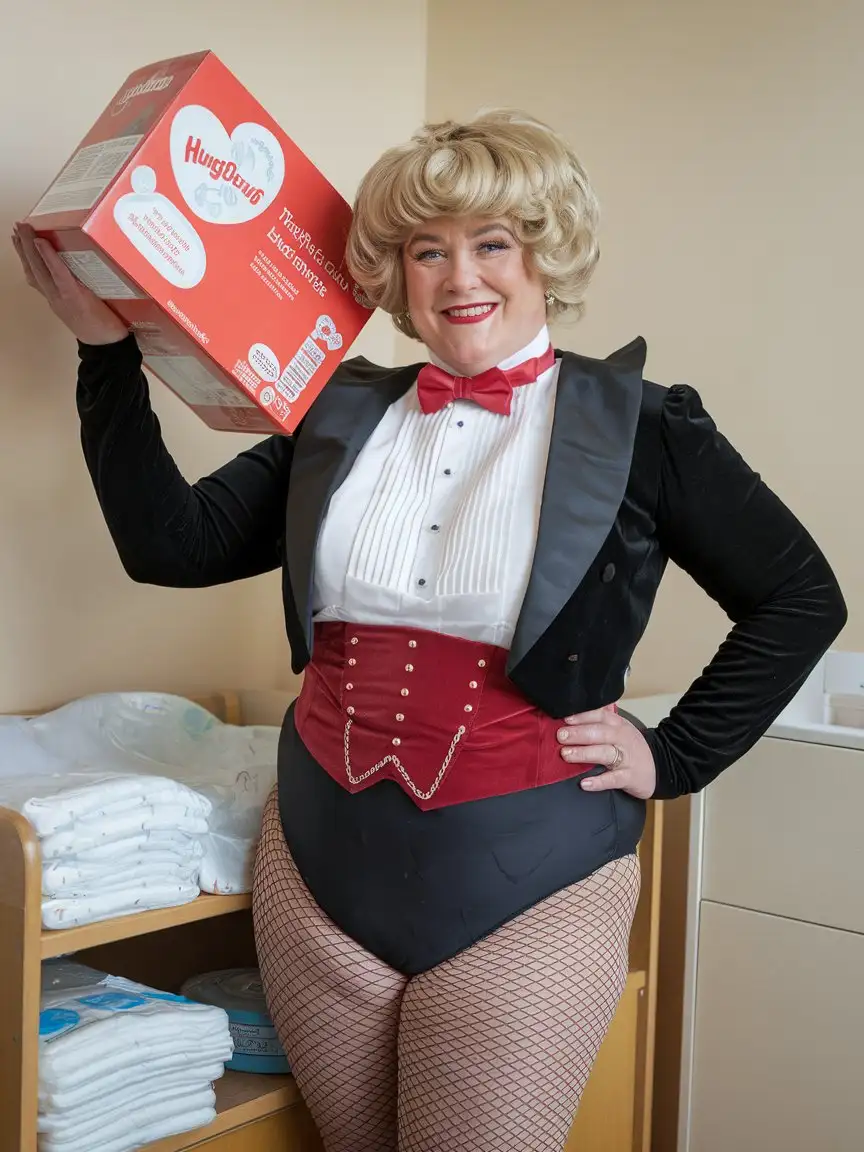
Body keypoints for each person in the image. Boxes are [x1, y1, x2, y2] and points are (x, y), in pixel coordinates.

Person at [13, 109, 846, 1152]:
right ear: (395, 273)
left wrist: (673, 754)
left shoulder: (646, 425)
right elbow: (169, 545)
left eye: (493, 243)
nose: (461, 278)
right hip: (318, 868)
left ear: (545, 258)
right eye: (427, 250)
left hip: (533, 875)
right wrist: (106, 359)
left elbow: (801, 598)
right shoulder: (335, 414)